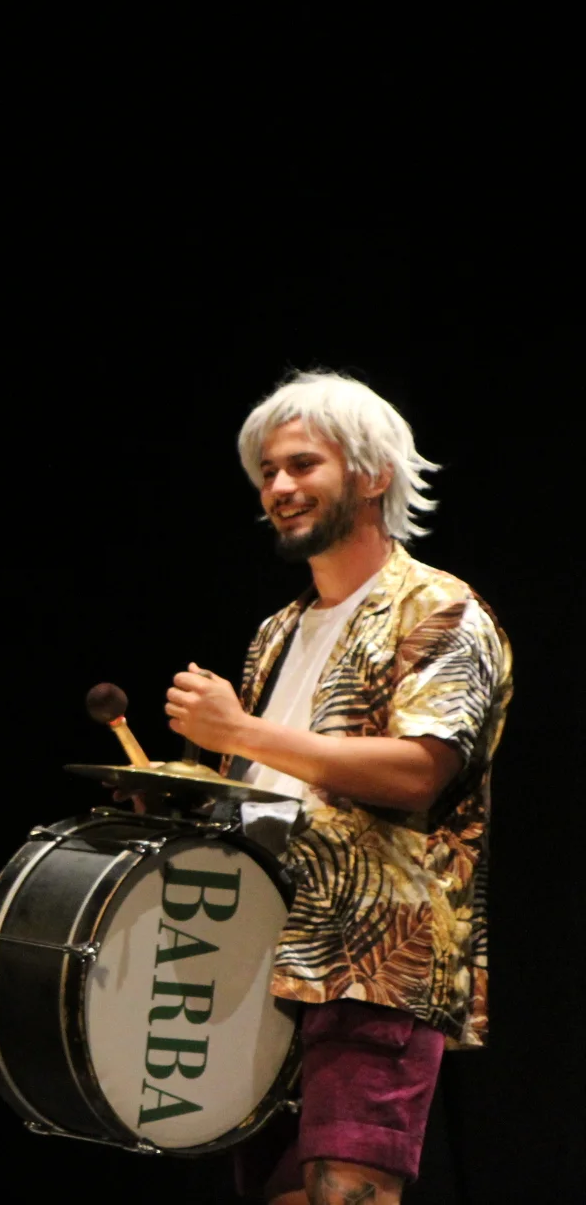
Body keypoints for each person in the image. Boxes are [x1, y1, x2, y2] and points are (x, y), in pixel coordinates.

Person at [163, 371, 510, 1205]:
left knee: (345, 1188)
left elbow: (419, 771)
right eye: (268, 473)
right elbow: (276, 786)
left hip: (372, 962)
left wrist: (239, 733)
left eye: (302, 465)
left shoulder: (440, 610)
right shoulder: (278, 632)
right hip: (261, 952)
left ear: (373, 473)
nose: (279, 488)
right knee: (281, 1191)